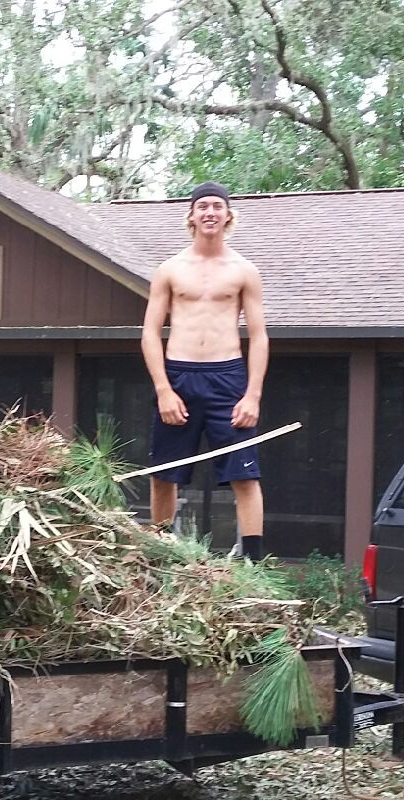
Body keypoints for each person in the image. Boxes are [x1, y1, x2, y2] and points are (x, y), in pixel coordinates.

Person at [141, 181, 270, 561]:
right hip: (179, 377)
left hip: (227, 379)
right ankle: (162, 554)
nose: (210, 212)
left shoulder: (244, 270)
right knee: (165, 473)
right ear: (192, 216)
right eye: (202, 207)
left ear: (228, 215)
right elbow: (149, 333)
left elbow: (260, 337)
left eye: (217, 206)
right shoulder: (170, 269)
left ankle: (254, 563)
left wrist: (253, 395)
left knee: (244, 474)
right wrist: (164, 389)